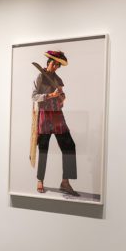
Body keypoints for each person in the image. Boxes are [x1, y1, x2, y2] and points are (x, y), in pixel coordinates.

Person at [32, 50, 78, 196]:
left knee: (69, 145)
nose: (56, 67)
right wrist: (50, 95)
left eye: (58, 65)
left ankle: (65, 182)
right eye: (55, 64)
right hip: (44, 115)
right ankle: (40, 180)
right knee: (43, 149)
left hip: (57, 115)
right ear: (49, 62)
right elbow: (34, 96)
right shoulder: (40, 76)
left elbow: (62, 97)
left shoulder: (58, 79)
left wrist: (62, 97)